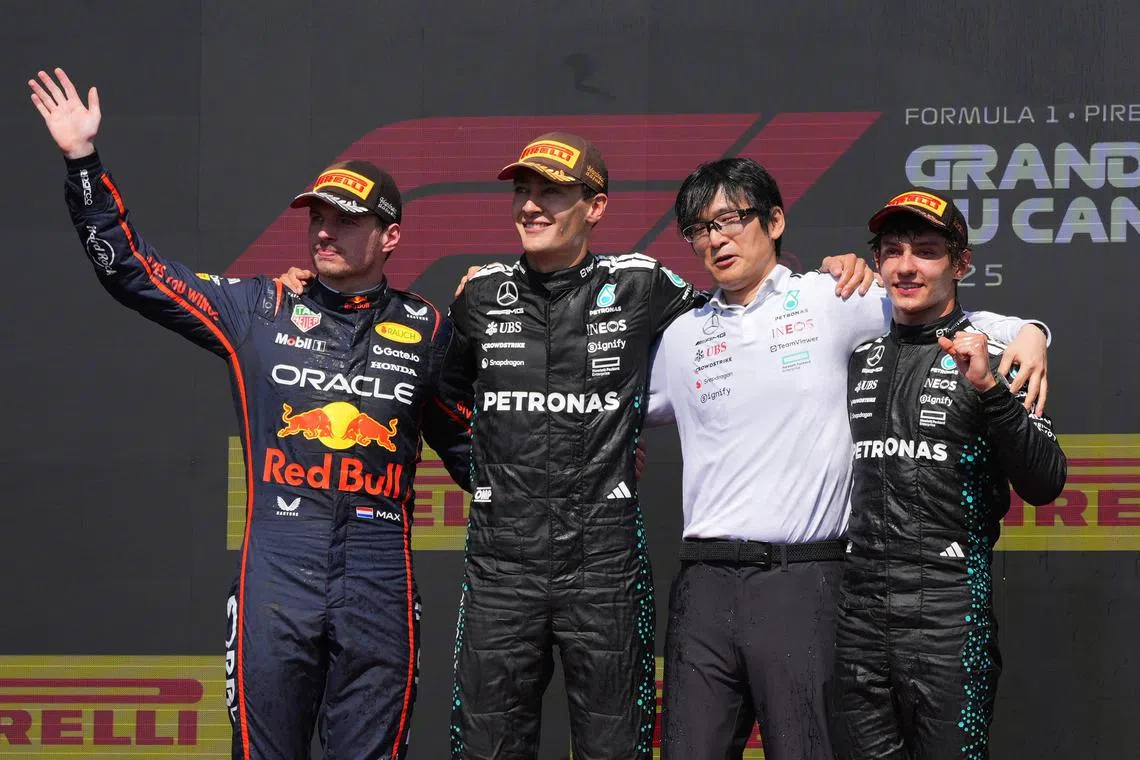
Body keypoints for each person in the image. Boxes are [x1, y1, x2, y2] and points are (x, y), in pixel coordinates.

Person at [29, 67, 473, 760]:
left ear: (390, 237)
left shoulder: (428, 328)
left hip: (382, 574)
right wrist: (83, 161)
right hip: (278, 572)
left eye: (345, 220)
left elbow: (477, 454)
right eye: (317, 217)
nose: (324, 232)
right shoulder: (257, 308)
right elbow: (130, 270)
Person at [644, 159, 1051, 759]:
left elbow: (937, 314)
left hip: (805, 579)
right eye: (700, 229)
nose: (716, 239)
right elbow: (603, 408)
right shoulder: (682, 335)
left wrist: (1030, 331)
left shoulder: (832, 298)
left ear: (775, 220)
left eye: (730, 220)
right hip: (702, 583)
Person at [439, 131, 711, 760]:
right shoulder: (480, 295)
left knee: (615, 748)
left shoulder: (642, 284)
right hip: (502, 566)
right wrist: (483, 474)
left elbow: (732, 330)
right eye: (523, 193)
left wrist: (835, 276)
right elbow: (441, 400)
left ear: (596, 207)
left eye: (551, 195)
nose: (531, 207)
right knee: (486, 747)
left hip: (604, 563)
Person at [834, 190, 1067, 759]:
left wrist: (988, 388)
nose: (906, 266)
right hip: (858, 621)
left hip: (947, 619)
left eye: (927, 251)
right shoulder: (858, 354)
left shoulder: (993, 355)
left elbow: (1046, 482)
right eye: (892, 251)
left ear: (960, 264)